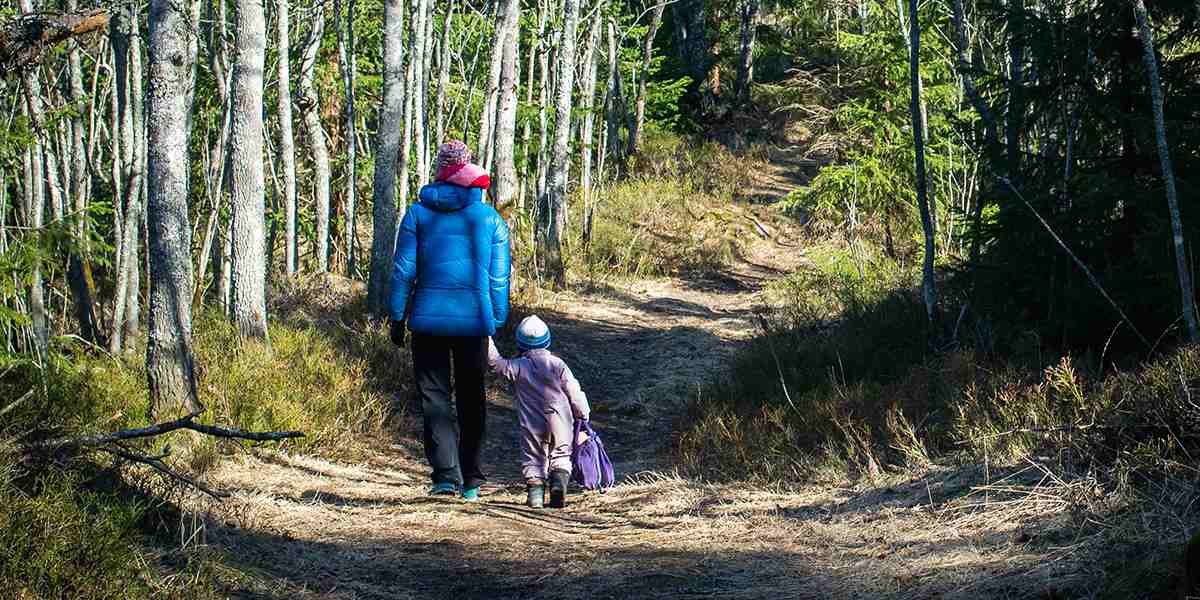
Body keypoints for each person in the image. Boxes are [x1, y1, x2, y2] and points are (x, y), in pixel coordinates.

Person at [389, 140, 510, 501]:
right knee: (472, 396)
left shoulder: (417, 214)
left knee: (434, 397)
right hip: (473, 323)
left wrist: (397, 316)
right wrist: (497, 319)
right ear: (467, 168)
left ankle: (445, 477)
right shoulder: (489, 218)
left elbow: (402, 271)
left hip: (427, 323)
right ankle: (471, 478)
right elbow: (499, 277)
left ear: (440, 170)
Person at [487, 315, 591, 509]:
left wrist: (487, 336)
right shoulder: (558, 365)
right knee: (561, 455)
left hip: (532, 424)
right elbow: (574, 391)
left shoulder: (518, 366)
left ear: (520, 344)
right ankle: (558, 486)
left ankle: (535, 497)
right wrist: (583, 414)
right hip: (562, 420)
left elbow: (496, 363)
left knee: (533, 457)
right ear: (547, 340)